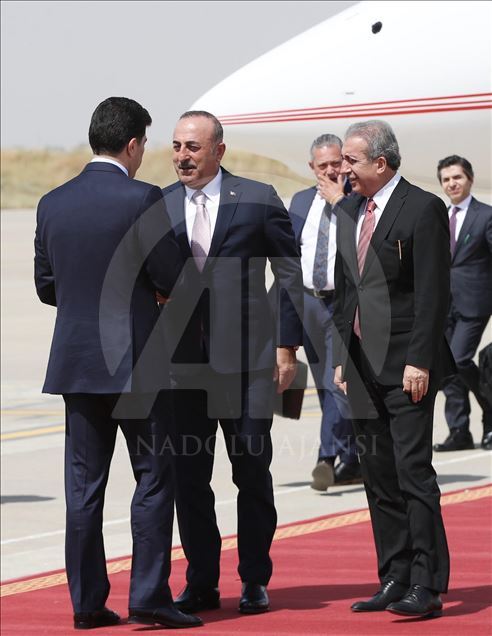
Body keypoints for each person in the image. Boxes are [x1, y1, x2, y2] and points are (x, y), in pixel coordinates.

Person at [34, 97, 201, 630]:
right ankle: (148, 596)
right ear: (132, 144)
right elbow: (172, 277)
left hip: (77, 365)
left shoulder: (52, 202)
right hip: (137, 365)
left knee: (83, 489)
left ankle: (87, 603)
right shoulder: (142, 197)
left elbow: (46, 286)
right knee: (153, 479)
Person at [161, 110, 303, 615]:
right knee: (189, 480)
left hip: (248, 364)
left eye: (193, 147)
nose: (182, 157)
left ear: (219, 150)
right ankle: (201, 581)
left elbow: (290, 273)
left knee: (252, 473)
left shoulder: (258, 199)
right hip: (183, 368)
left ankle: (255, 578)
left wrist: (287, 346)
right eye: (177, 146)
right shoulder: (159, 204)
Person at [332, 120, 454, 618]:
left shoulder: (422, 208)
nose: (343, 168)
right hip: (361, 364)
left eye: (351, 160)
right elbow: (345, 290)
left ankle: (427, 583)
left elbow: (433, 294)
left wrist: (419, 360)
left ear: (380, 163)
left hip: (407, 366)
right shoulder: (347, 211)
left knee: (412, 473)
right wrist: (342, 356)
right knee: (378, 476)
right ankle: (394, 575)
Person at [288, 134, 361, 490]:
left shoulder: (357, 201)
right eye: (323, 165)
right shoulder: (301, 201)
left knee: (337, 384)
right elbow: (289, 260)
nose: (331, 170)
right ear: (312, 167)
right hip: (308, 303)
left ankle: (326, 457)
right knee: (323, 385)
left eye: (337, 163)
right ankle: (353, 458)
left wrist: (339, 201)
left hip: (342, 304)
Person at [433, 155, 492, 452]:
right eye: (446, 179)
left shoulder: (485, 215)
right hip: (443, 305)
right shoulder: (439, 217)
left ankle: (490, 412)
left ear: (469, 178)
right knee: (447, 368)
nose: (451, 183)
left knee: (459, 359)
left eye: (457, 177)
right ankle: (459, 431)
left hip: (474, 302)